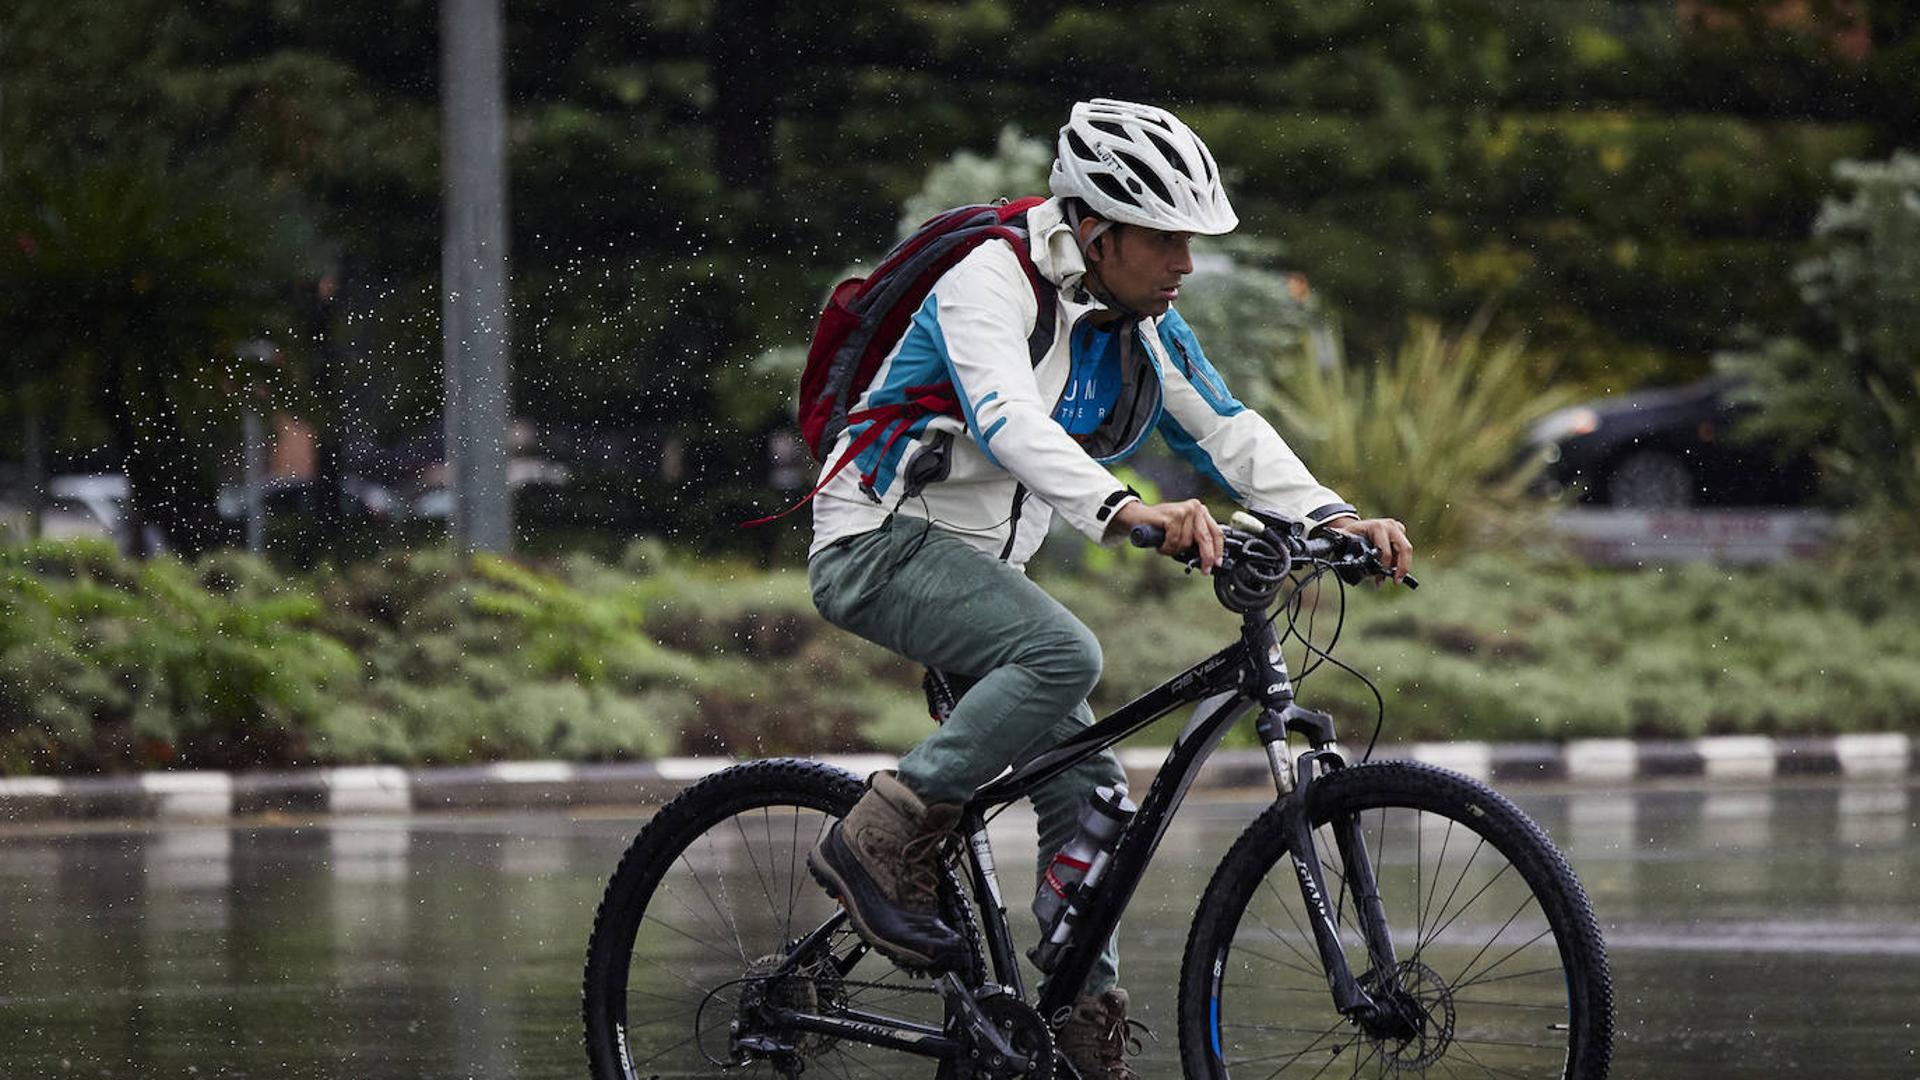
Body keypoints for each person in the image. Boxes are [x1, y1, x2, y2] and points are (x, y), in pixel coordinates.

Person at [804, 98, 1414, 1079]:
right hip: (877, 540)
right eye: (1165, 238)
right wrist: (1127, 510)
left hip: (981, 571)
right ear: (1095, 229)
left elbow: (1225, 431)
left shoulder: (1143, 319)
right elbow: (1006, 419)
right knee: (1064, 654)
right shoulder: (990, 280)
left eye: (1191, 240)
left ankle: (1078, 1033)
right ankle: (880, 834)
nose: (1184, 262)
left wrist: (1334, 518)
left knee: (1087, 789)